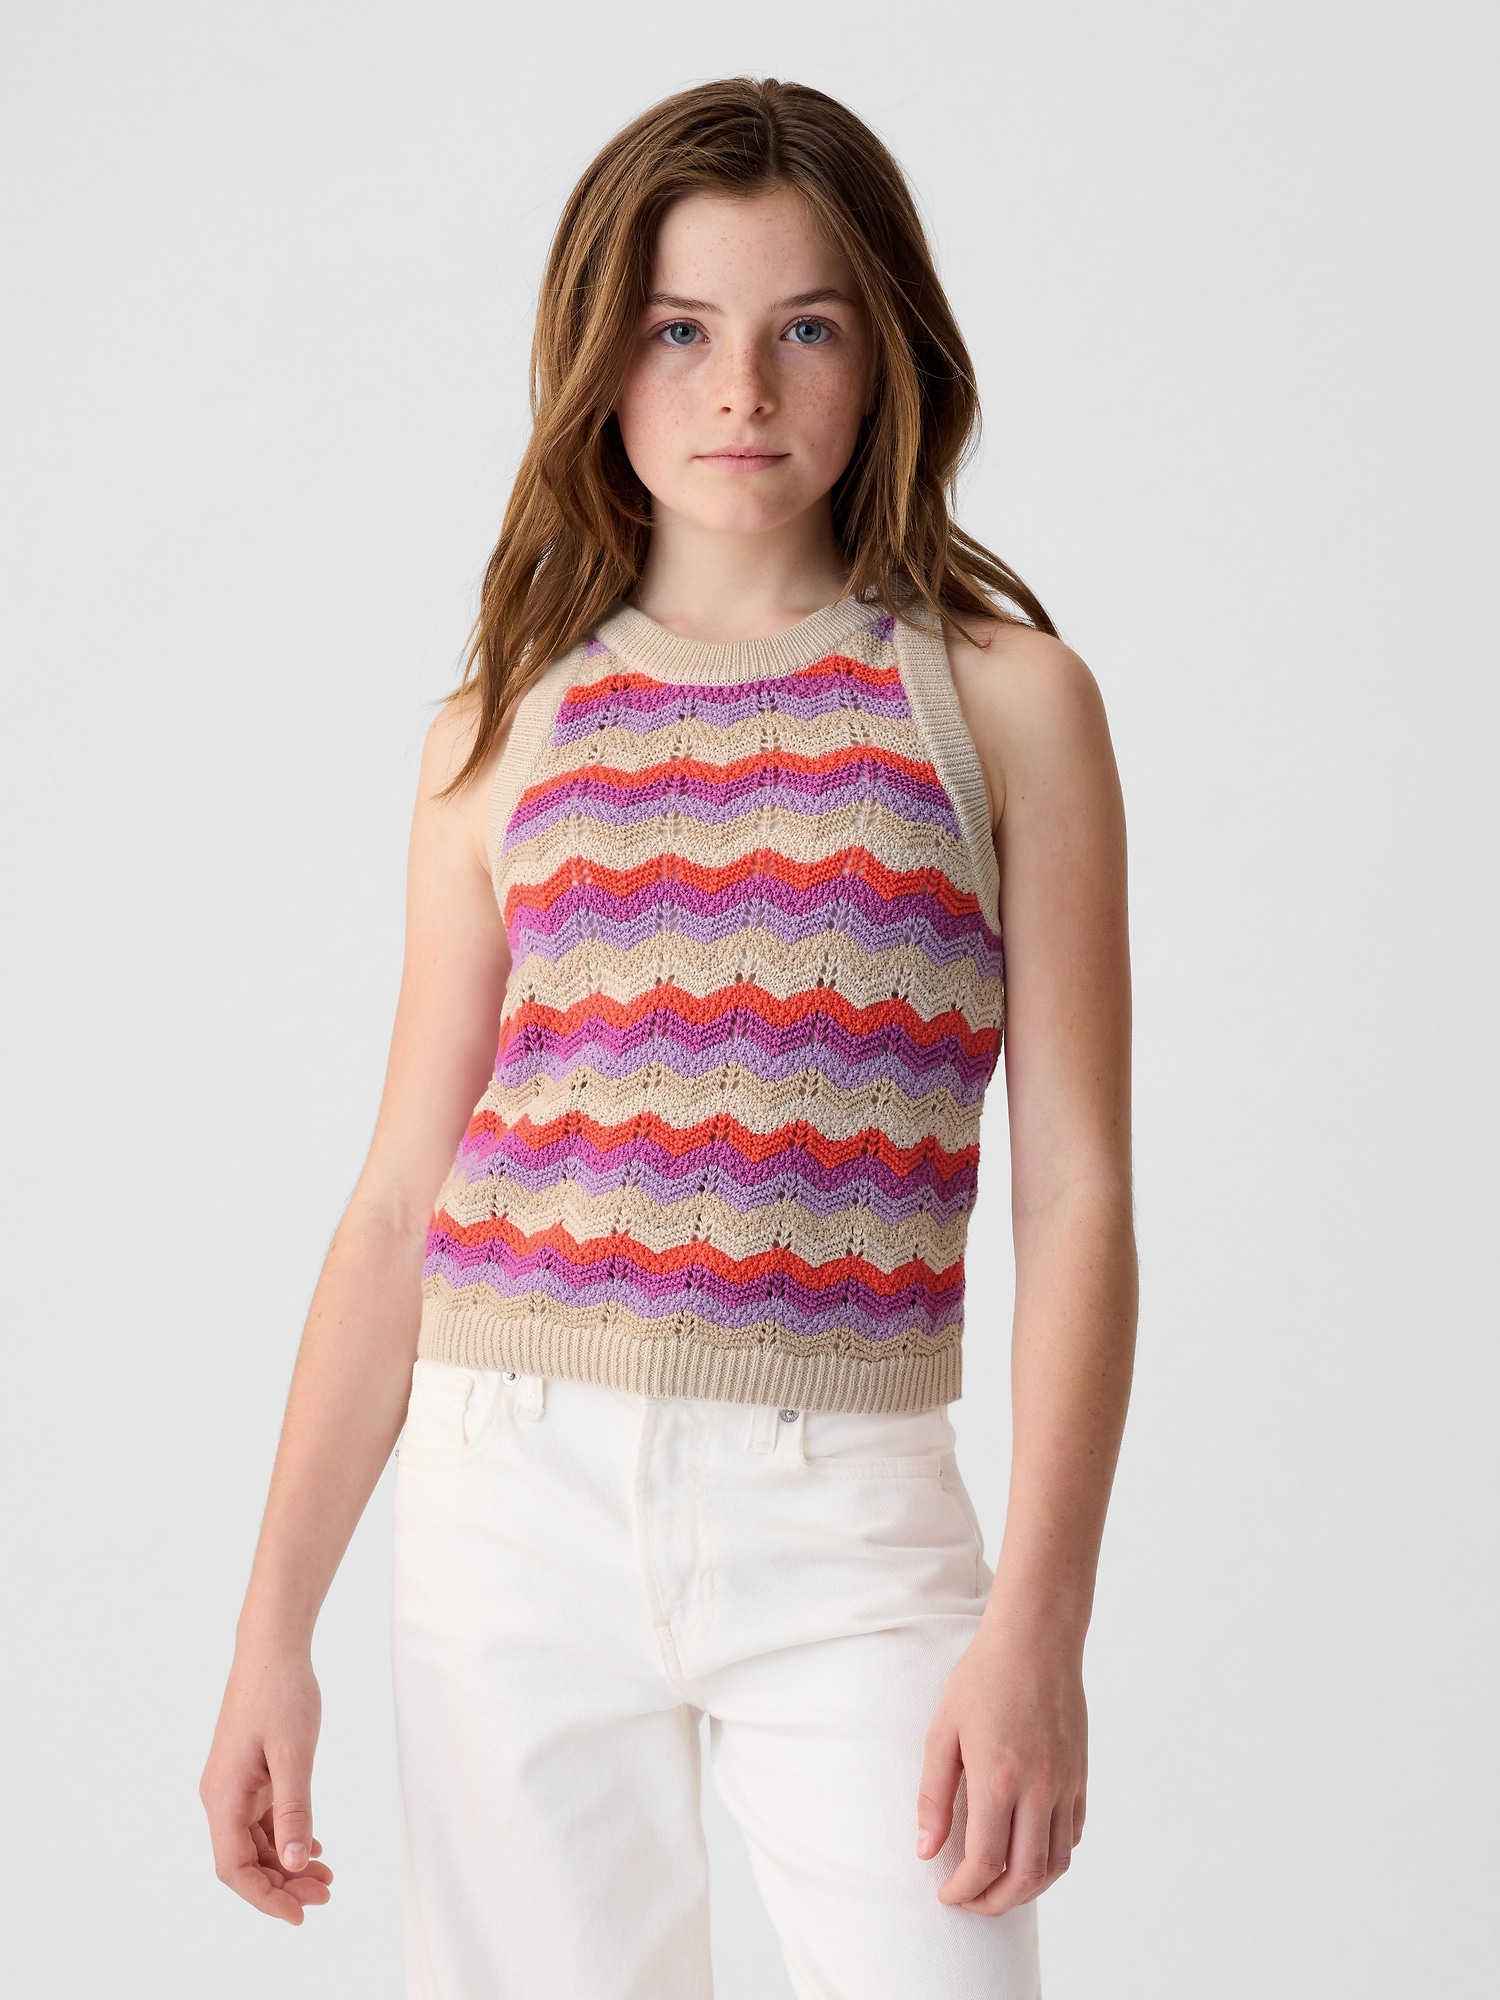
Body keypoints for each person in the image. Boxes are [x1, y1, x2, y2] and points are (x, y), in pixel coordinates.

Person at [200, 75, 1137, 2000]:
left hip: (849, 1507)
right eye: (680, 332)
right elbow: (397, 1203)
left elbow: (1081, 1191)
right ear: (601, 362)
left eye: (808, 328)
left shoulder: (1002, 703)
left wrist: (1042, 1619)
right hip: (506, 1497)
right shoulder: (502, 733)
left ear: (887, 355)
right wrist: (270, 1626)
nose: (742, 392)